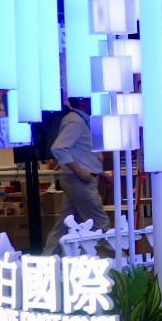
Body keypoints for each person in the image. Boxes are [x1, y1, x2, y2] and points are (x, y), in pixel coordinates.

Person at [43, 95, 109, 253]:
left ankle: (47, 258)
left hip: (78, 180)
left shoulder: (81, 120)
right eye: (90, 99)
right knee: (100, 222)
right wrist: (79, 171)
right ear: (82, 101)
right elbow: (58, 148)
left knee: (64, 225)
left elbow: (83, 151)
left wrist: (101, 172)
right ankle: (122, 259)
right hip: (79, 181)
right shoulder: (76, 121)